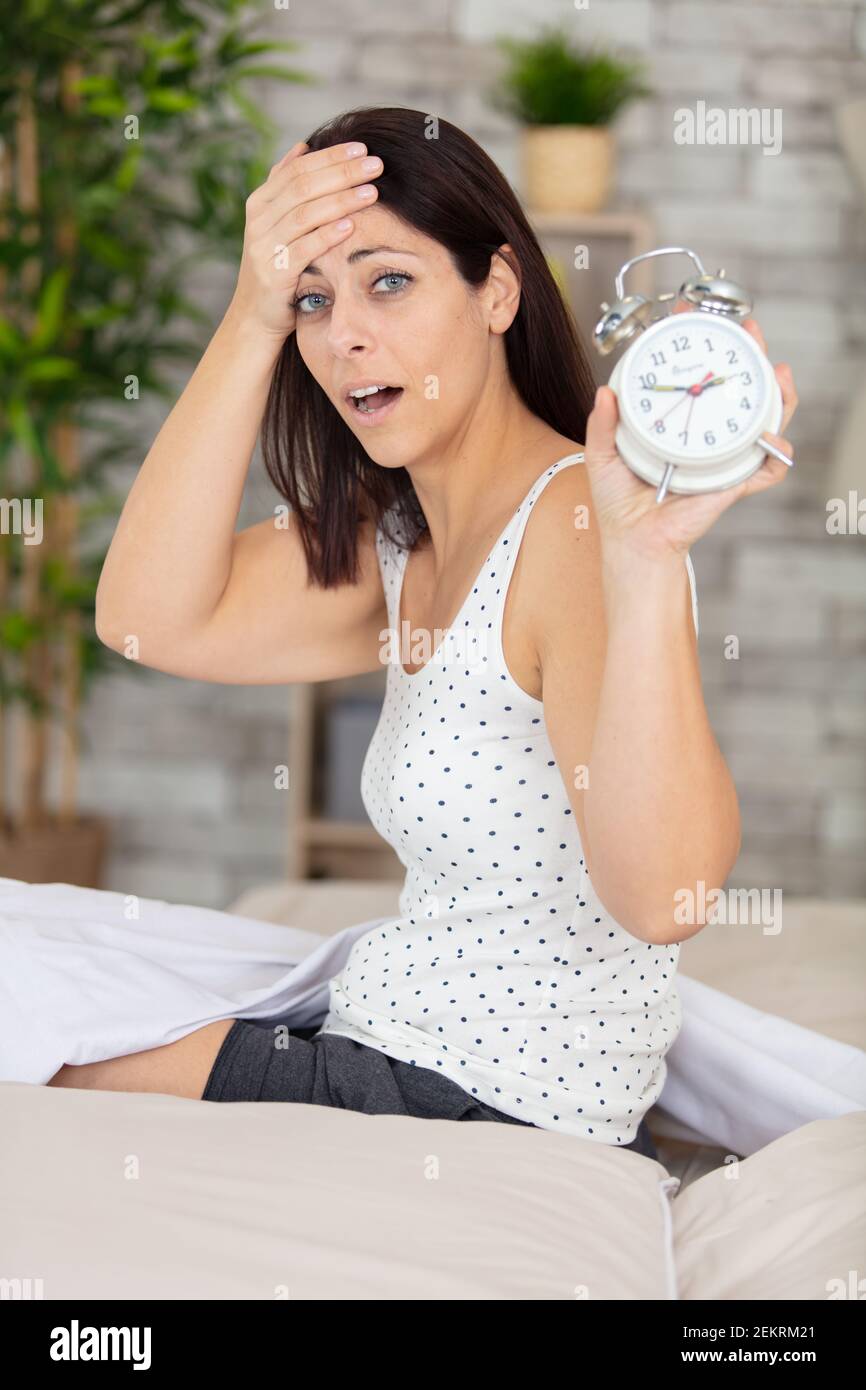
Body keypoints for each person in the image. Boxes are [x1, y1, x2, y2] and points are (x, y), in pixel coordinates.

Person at [49, 108, 797, 1160]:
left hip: (476, 1101)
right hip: (393, 1043)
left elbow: (665, 896)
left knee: (40, 1026)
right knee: (35, 962)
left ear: (496, 290)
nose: (343, 333)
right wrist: (250, 313)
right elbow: (144, 617)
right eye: (314, 298)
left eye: (388, 281)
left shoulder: (576, 523)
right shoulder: (403, 538)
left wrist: (639, 562)